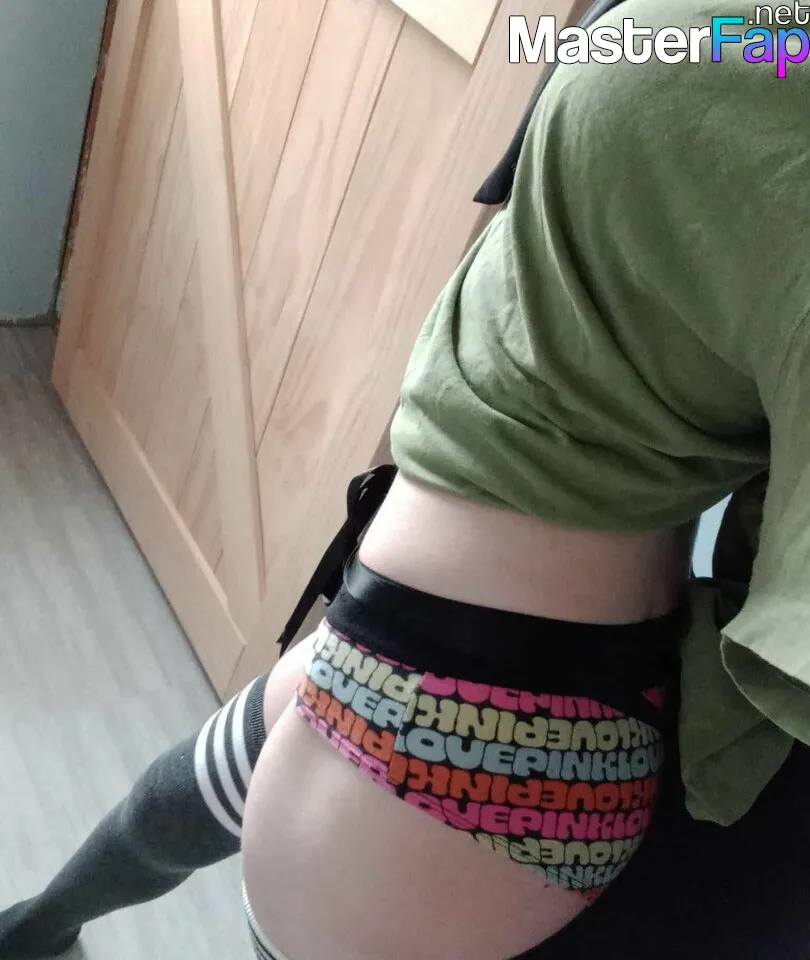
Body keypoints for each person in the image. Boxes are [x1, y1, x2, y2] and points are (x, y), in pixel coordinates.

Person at [3, 0, 810, 955]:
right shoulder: (757, 29)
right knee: (177, 804)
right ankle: (42, 926)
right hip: (434, 631)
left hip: (503, 706)